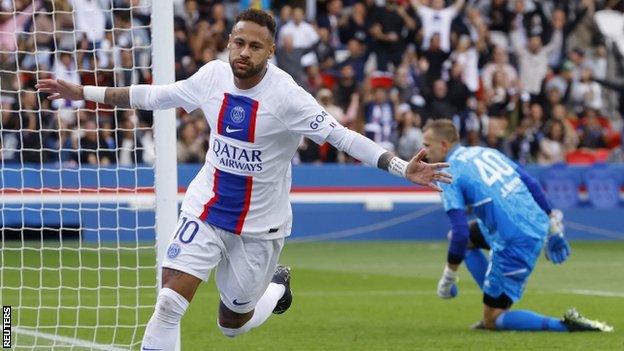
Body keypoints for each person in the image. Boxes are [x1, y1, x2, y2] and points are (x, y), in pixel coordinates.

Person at [37, 9, 452, 350]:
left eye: (255, 46)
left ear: (270, 51)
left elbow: (342, 137)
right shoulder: (212, 77)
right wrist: (83, 92)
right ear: (229, 42)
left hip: (260, 226)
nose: (244, 53)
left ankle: (276, 289)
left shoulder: (289, 97)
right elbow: (155, 95)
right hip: (207, 207)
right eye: (239, 42)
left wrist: (401, 167)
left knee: (232, 324)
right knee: (168, 304)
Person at [421, 119, 613, 333]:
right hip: (531, 224)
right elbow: (530, 182)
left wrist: (447, 280)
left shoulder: (448, 173)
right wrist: (552, 225)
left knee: (493, 319)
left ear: (444, 145)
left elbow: (459, 231)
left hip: (514, 240)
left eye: (428, 145)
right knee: (468, 243)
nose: (424, 151)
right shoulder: (484, 152)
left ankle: (565, 325)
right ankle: (494, 294)